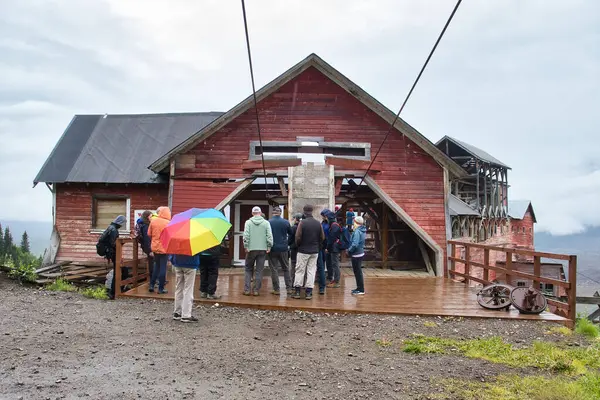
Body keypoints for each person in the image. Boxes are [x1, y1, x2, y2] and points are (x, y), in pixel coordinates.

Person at [292, 204, 325, 300]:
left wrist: (299, 245)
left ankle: (297, 291)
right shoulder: (318, 223)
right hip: (314, 251)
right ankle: (309, 292)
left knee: (300, 270)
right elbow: (322, 237)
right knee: (311, 271)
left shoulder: (302, 223)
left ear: (304, 211)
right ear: (312, 211)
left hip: (303, 250)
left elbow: (297, 237)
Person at [243, 206, 273, 296]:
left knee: (248, 269)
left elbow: (246, 236)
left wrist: (246, 246)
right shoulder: (266, 223)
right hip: (262, 249)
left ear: (252, 213)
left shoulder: (248, 222)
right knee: (259, 270)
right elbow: (269, 236)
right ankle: (256, 290)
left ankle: (247, 290)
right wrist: (269, 246)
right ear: (260, 213)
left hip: (251, 249)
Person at [98, 215, 126, 300]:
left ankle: (115, 291)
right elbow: (113, 243)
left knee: (120, 271)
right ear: (120, 222)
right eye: (123, 223)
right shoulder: (114, 230)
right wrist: (122, 243)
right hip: (113, 253)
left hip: (110, 252)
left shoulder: (111, 227)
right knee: (120, 271)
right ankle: (114, 292)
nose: (122, 225)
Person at [268, 207, 293, 295]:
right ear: (280, 213)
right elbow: (291, 233)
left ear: (273, 213)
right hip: (283, 248)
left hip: (272, 248)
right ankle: (289, 288)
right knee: (286, 268)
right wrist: (287, 242)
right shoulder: (286, 222)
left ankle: (276, 289)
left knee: (274, 269)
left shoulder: (268, 222)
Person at [170, 252, 200, 322]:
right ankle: (186, 315)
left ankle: (177, 312)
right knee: (188, 289)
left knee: (178, 288)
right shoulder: (193, 240)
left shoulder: (177, 240)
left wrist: (173, 260)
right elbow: (198, 251)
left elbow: (172, 251)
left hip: (177, 263)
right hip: (191, 263)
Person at [148, 206, 171, 294]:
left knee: (156, 266)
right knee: (163, 268)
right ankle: (161, 289)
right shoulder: (168, 223)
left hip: (154, 247)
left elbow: (149, 234)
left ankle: (151, 285)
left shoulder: (153, 221)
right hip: (164, 248)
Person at [348, 216, 367, 295]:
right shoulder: (362, 230)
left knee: (357, 272)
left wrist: (349, 250)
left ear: (356, 222)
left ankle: (361, 289)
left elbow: (355, 244)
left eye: (354, 221)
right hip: (360, 252)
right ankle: (359, 288)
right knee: (358, 272)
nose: (353, 223)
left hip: (356, 254)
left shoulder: (357, 231)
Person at [316, 209, 331, 295]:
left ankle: (327, 278)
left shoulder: (327, 224)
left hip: (325, 245)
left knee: (325, 263)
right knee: (322, 264)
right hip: (322, 246)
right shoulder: (323, 223)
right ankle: (322, 279)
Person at [134, 211, 153, 278]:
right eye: (151, 216)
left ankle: (153, 280)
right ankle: (153, 280)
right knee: (152, 263)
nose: (152, 218)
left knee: (152, 262)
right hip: (148, 246)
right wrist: (150, 250)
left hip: (145, 246)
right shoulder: (145, 225)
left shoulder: (141, 223)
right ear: (147, 217)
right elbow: (147, 238)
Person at [326, 211, 342, 288]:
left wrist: (328, 247)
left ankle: (336, 281)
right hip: (334, 247)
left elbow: (332, 238)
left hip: (334, 248)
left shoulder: (334, 226)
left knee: (335, 264)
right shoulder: (334, 225)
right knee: (334, 264)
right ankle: (335, 280)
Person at [288, 213, 303, 290]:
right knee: (302, 267)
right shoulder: (304, 227)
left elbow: (290, 239)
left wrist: (289, 244)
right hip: (302, 250)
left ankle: (293, 283)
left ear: (296, 219)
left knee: (293, 267)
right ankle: (302, 283)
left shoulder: (293, 228)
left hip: (294, 249)